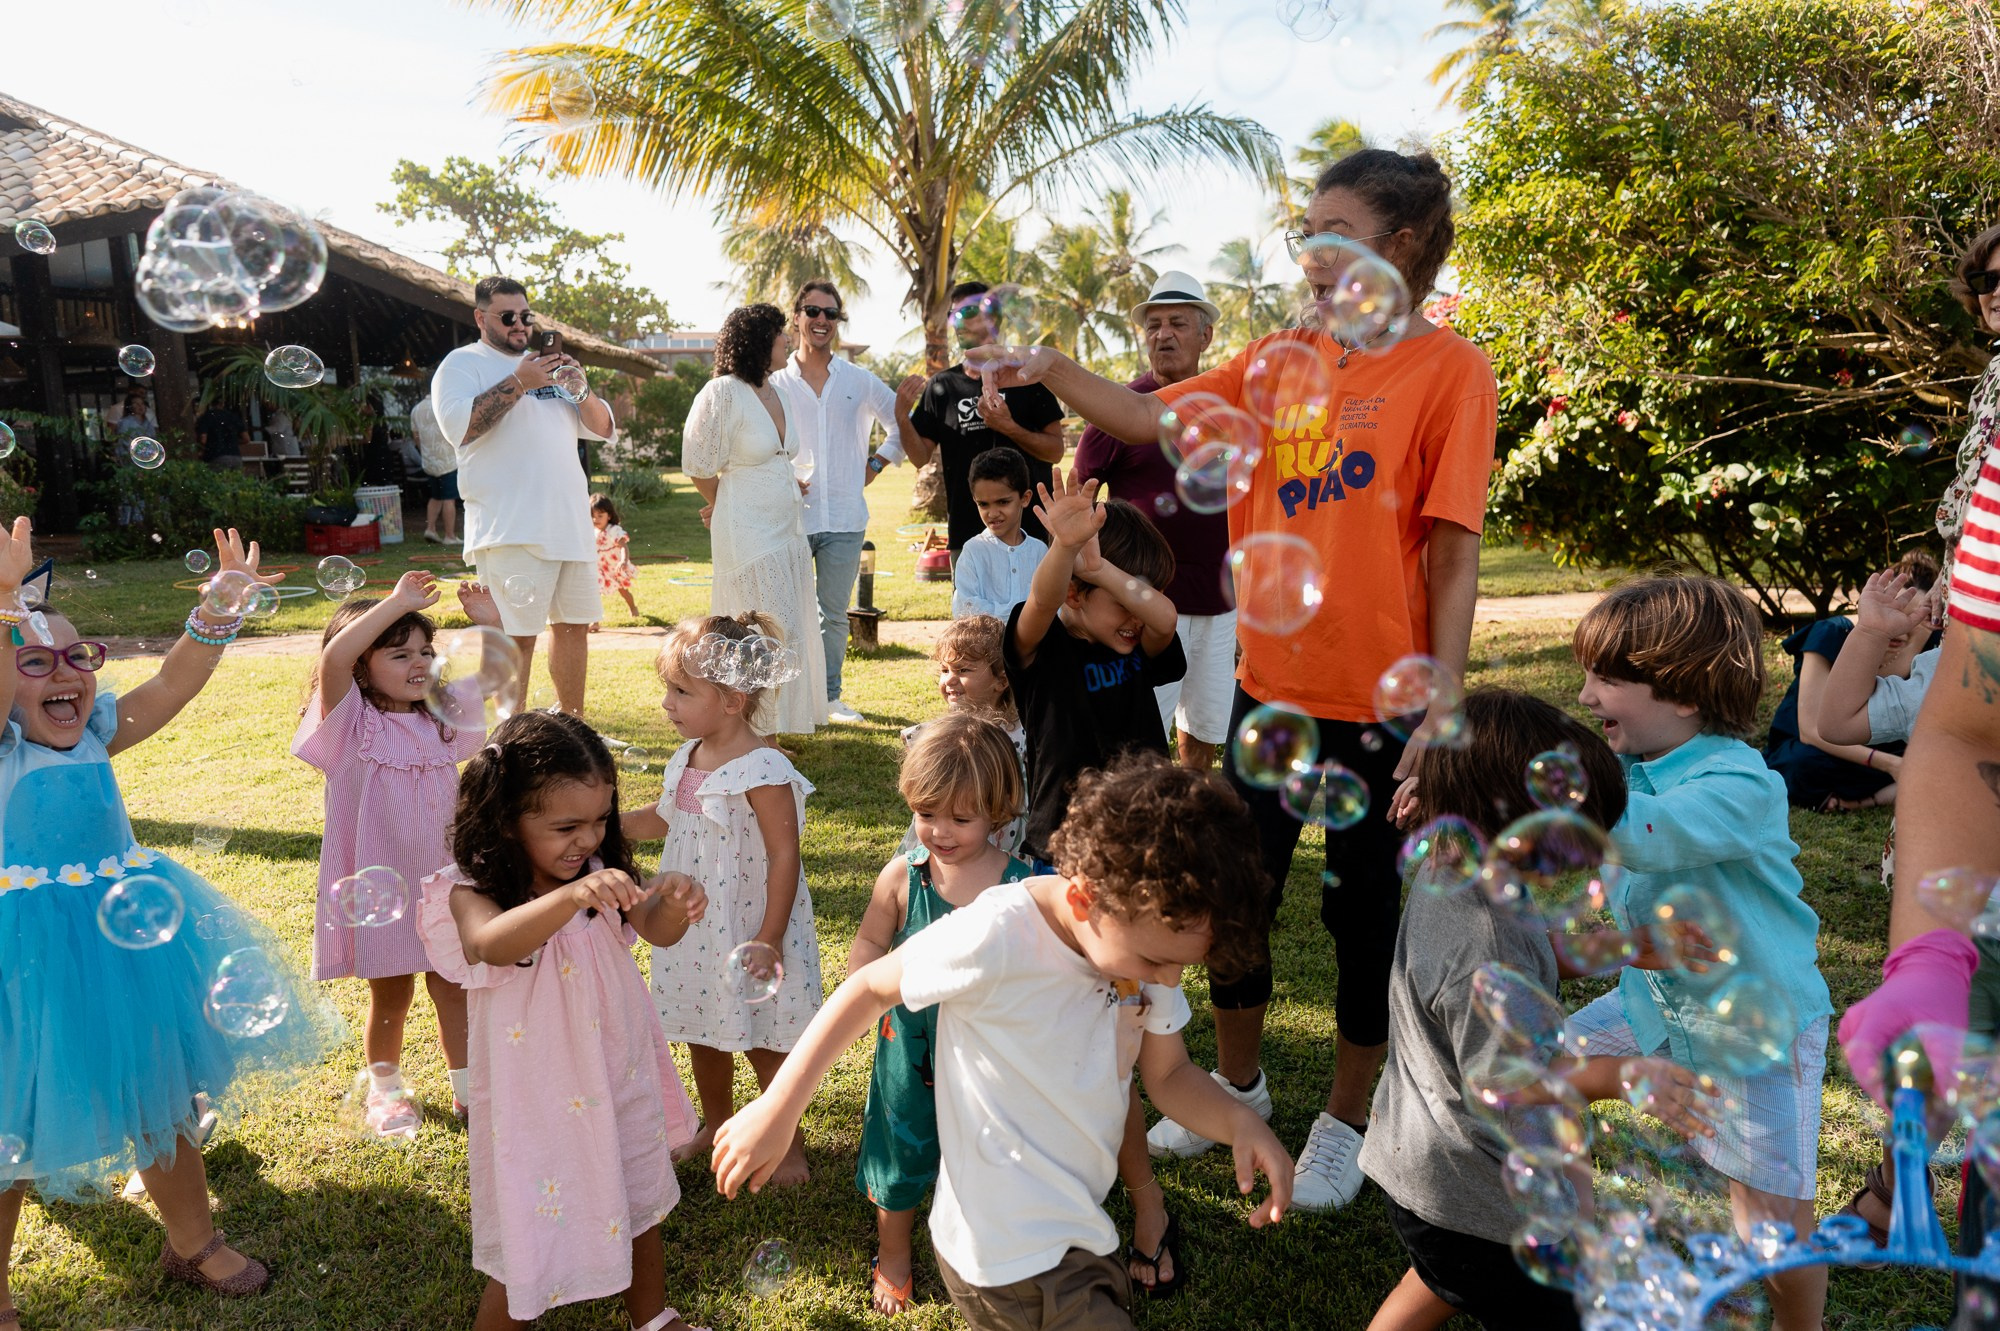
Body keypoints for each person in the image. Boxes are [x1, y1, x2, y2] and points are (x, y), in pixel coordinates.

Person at [998, 149, 1497, 1211]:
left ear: (1398, 244)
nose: (1307, 252)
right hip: (1276, 687)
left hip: (1382, 703)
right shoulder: (1281, 355)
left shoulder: (1450, 370)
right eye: (1302, 231)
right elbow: (1142, 418)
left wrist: (1440, 698)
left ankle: (1344, 1120)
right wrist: (1052, 361)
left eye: (1332, 229)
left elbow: (1451, 550)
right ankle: (1235, 1083)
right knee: (1229, 901)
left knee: (1363, 916)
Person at [712, 754, 1293, 1331]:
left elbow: (1168, 1076)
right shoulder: (997, 933)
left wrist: (1241, 1123)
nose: (1167, 980)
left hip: (1078, 1233)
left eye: (1178, 966)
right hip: (998, 1251)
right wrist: (779, 1107)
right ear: (1087, 900)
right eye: (1157, 962)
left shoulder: (1147, 948)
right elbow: (868, 988)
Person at [0, 523, 326, 1320]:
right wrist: (9, 604)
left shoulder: (99, 732)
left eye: (79, 656)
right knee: (12, 1118)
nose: (65, 674)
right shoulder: (5, 748)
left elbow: (173, 685)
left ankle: (193, 1238)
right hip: (26, 956)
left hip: (129, 938)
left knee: (163, 1087)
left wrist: (220, 607)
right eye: (34, 661)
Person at [1366, 689, 1715, 1331]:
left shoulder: (1460, 871)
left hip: (1432, 1167)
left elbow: (1542, 950)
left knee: (1442, 1273)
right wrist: (1619, 1075)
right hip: (1480, 1198)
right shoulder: (1482, 938)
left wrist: (1633, 947)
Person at [1567, 575, 1833, 1331]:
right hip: (1654, 1001)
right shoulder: (1625, 765)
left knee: (1772, 1221)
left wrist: (1536, 797)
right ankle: (1574, 1230)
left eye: (1608, 678)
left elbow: (1648, 834)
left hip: (1753, 1030)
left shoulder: (1739, 781)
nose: (1586, 696)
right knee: (1546, 1062)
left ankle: (1798, 1326)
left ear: (1683, 695)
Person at [417, 711, 707, 1331]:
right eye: (565, 826)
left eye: (600, 820)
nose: (587, 838)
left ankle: (652, 1318)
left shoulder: (601, 874)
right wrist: (571, 896)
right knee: (534, 1223)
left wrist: (672, 902)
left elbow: (653, 931)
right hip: (540, 1097)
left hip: (615, 1071)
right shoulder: (472, 891)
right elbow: (490, 943)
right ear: (504, 818)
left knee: (640, 1197)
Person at [1003, 471, 1187, 1287]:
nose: (1133, 608)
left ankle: (1144, 1199)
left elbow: (1164, 617)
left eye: (1135, 588)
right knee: (1069, 1046)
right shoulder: (1038, 652)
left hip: (1142, 875)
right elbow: (1041, 602)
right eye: (1113, 593)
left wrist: (1107, 572)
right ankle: (1065, 1193)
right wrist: (1068, 551)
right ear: (1073, 591)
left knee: (1124, 1047)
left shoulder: (1137, 642)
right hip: (1063, 873)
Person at [293, 570, 502, 1136]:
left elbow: (495, 677)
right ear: (364, 664)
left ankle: (468, 1092)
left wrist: (492, 626)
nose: (419, 664)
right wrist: (396, 603)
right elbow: (334, 660)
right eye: (399, 652)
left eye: (426, 652)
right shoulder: (351, 723)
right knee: (391, 992)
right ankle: (385, 1092)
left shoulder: (439, 718)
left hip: (441, 882)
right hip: (375, 883)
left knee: (453, 984)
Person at [623, 613, 824, 1183]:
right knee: (700, 1029)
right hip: (691, 926)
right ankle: (716, 1122)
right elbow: (664, 820)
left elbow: (785, 856)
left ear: (733, 699)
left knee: (763, 1039)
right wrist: (601, 825)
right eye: (669, 688)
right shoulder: (688, 756)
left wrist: (769, 935)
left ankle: (784, 1139)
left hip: (747, 924)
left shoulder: (762, 767)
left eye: (682, 691)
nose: (668, 703)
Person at [849, 713, 1033, 1316]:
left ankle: (984, 1251)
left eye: (961, 818)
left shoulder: (1021, 886)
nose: (941, 832)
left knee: (985, 1157)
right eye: (928, 814)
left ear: (999, 810)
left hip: (988, 1057)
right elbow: (872, 943)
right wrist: (864, 984)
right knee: (901, 1149)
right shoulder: (903, 877)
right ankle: (894, 1252)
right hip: (909, 1046)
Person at [431, 276, 615, 719]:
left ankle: (572, 727)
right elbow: (462, 428)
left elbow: (604, 428)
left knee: (573, 628)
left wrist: (579, 386)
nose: (520, 324)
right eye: (508, 316)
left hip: (569, 522)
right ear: (481, 317)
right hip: (510, 526)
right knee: (517, 636)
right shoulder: (461, 364)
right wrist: (520, 381)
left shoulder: (548, 366)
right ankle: (509, 739)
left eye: (526, 316)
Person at [1073, 270, 1234, 770]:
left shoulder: (1230, 405)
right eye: (1154, 325)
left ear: (1205, 335)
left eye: (1178, 323)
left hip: (1222, 597)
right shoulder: (1119, 411)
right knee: (1143, 725)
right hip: (1142, 599)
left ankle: (1186, 821)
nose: (1163, 334)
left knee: (1204, 727)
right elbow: (1081, 500)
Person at [769, 279, 927, 723]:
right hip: (789, 517)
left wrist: (876, 464)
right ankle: (787, 703)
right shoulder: (775, 383)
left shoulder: (859, 380)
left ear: (837, 323)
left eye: (831, 314)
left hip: (844, 517)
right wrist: (779, 476)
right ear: (797, 317)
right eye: (813, 312)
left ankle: (829, 699)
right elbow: (757, 441)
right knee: (785, 614)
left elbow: (902, 419)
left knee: (832, 615)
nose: (822, 320)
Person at [682, 303, 827, 735]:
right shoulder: (723, 391)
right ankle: (756, 731)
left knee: (787, 624)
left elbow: (777, 456)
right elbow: (698, 463)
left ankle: (776, 727)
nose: (787, 340)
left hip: (786, 529)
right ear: (759, 341)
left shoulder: (775, 389)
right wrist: (724, 504)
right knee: (756, 630)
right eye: (780, 334)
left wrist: (786, 483)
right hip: (747, 533)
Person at [1761, 550, 1939, 812]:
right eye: (1898, 613)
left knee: (1936, 765)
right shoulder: (1832, 633)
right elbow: (1811, 731)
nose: (1902, 627)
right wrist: (1890, 765)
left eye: (1916, 619)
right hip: (1822, 748)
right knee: (1802, 766)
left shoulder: (1927, 643)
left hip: (1883, 746)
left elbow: (1889, 695)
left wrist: (1921, 636)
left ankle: (1859, 801)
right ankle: (1880, 791)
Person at [907, 280, 1067, 558]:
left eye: (967, 313)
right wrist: (900, 415)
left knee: (1036, 603)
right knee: (970, 604)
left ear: (993, 318)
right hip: (967, 534)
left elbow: (1055, 450)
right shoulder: (941, 386)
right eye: (952, 315)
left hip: (1031, 534)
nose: (958, 322)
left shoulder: (1027, 378)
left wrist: (1009, 428)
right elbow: (920, 457)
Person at [900, 615, 1029, 860]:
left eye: (963, 669)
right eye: (944, 669)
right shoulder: (940, 735)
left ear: (1001, 680)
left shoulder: (1019, 735)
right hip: (944, 840)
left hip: (1003, 844)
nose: (949, 679)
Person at [949, 448, 1046, 621]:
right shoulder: (973, 550)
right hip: (986, 647)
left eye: (1003, 502)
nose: (993, 513)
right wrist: (1025, 616)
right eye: (984, 504)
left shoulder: (1039, 551)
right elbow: (964, 609)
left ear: (1025, 498)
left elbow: (1054, 607)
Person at [410, 395, 459, 545]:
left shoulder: (416, 409)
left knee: (436, 496)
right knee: (448, 498)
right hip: (447, 459)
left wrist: (425, 451)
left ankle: (430, 529)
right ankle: (449, 536)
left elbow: (416, 436)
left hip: (430, 460)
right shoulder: (443, 405)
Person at [591, 496, 640, 626]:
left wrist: (623, 561)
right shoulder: (592, 531)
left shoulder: (614, 530)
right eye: (593, 516)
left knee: (623, 590)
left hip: (615, 567)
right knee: (595, 592)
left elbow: (623, 546)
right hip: (600, 569)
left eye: (600, 515)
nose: (596, 519)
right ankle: (595, 621)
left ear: (609, 515)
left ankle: (633, 607)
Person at [194, 398, 248, 472]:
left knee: (217, 482)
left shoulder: (207, 417)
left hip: (217, 457)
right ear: (223, 404)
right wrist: (232, 442)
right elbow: (246, 439)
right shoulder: (233, 417)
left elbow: (203, 440)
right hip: (236, 457)